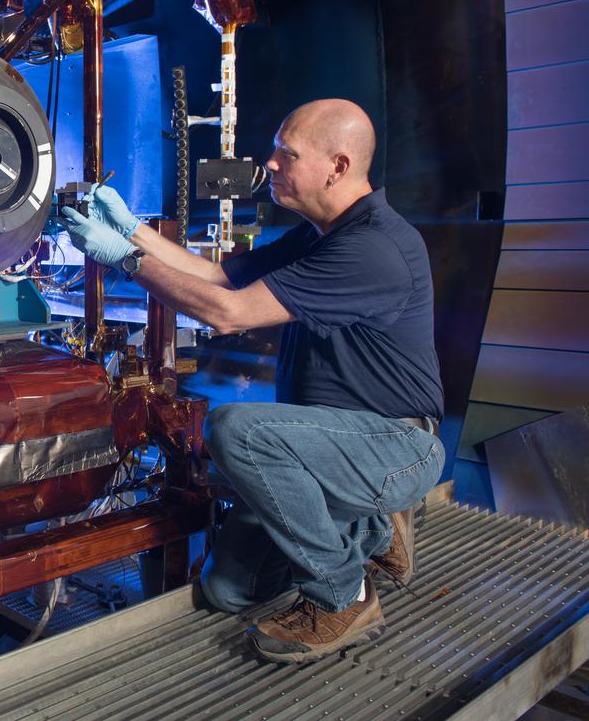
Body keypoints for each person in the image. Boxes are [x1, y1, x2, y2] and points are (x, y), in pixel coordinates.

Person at [61, 98, 445, 663]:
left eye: (287, 154)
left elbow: (227, 313)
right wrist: (132, 230)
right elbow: (218, 276)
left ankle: (344, 595)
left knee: (238, 431)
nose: (269, 164)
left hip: (394, 445)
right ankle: (374, 530)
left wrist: (122, 260)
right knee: (227, 590)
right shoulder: (322, 233)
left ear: (337, 167)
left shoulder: (371, 250)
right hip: (335, 446)